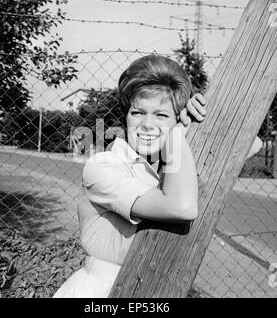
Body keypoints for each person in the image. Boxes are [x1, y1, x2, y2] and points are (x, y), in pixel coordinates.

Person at [53, 54, 259, 298]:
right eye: (138, 112)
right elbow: (181, 207)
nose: (147, 125)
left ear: (176, 119)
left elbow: (252, 144)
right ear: (126, 116)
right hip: (102, 290)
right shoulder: (103, 165)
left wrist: (205, 114)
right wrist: (175, 135)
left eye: (161, 115)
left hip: (154, 290)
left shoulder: (171, 161)